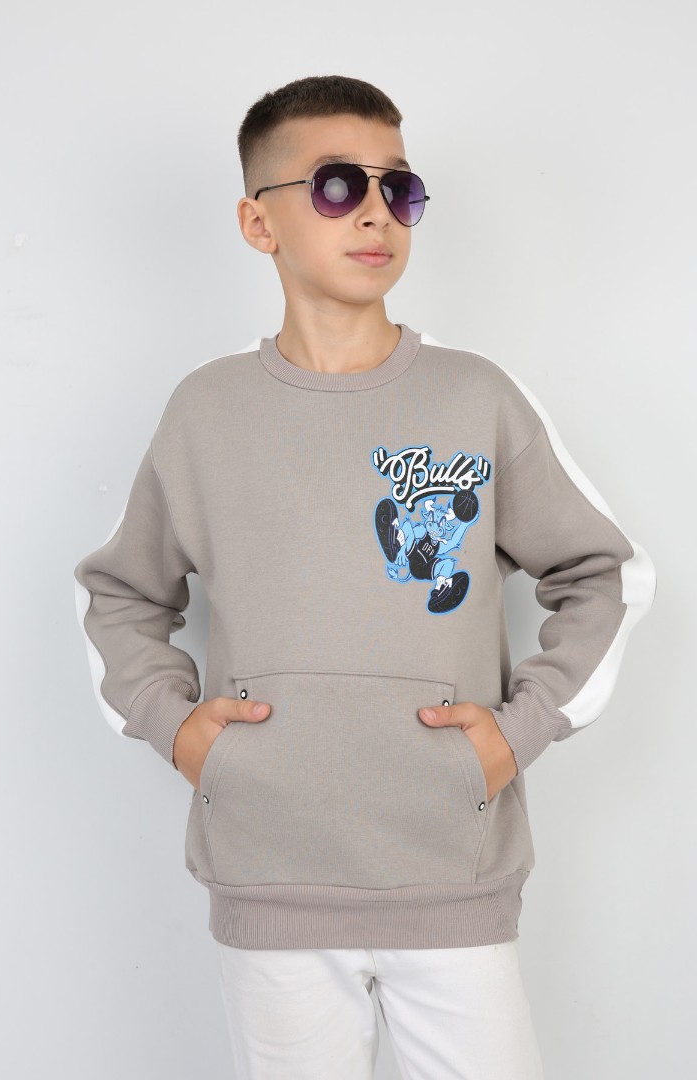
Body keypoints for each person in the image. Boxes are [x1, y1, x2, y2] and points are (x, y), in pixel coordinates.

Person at [73, 74, 656, 1080]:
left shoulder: (475, 397)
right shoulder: (206, 412)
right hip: (269, 873)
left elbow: (604, 574)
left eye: (400, 186)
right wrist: (179, 728)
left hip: (452, 873)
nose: (377, 210)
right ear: (259, 222)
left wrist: (518, 732)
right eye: (338, 185)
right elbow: (118, 595)